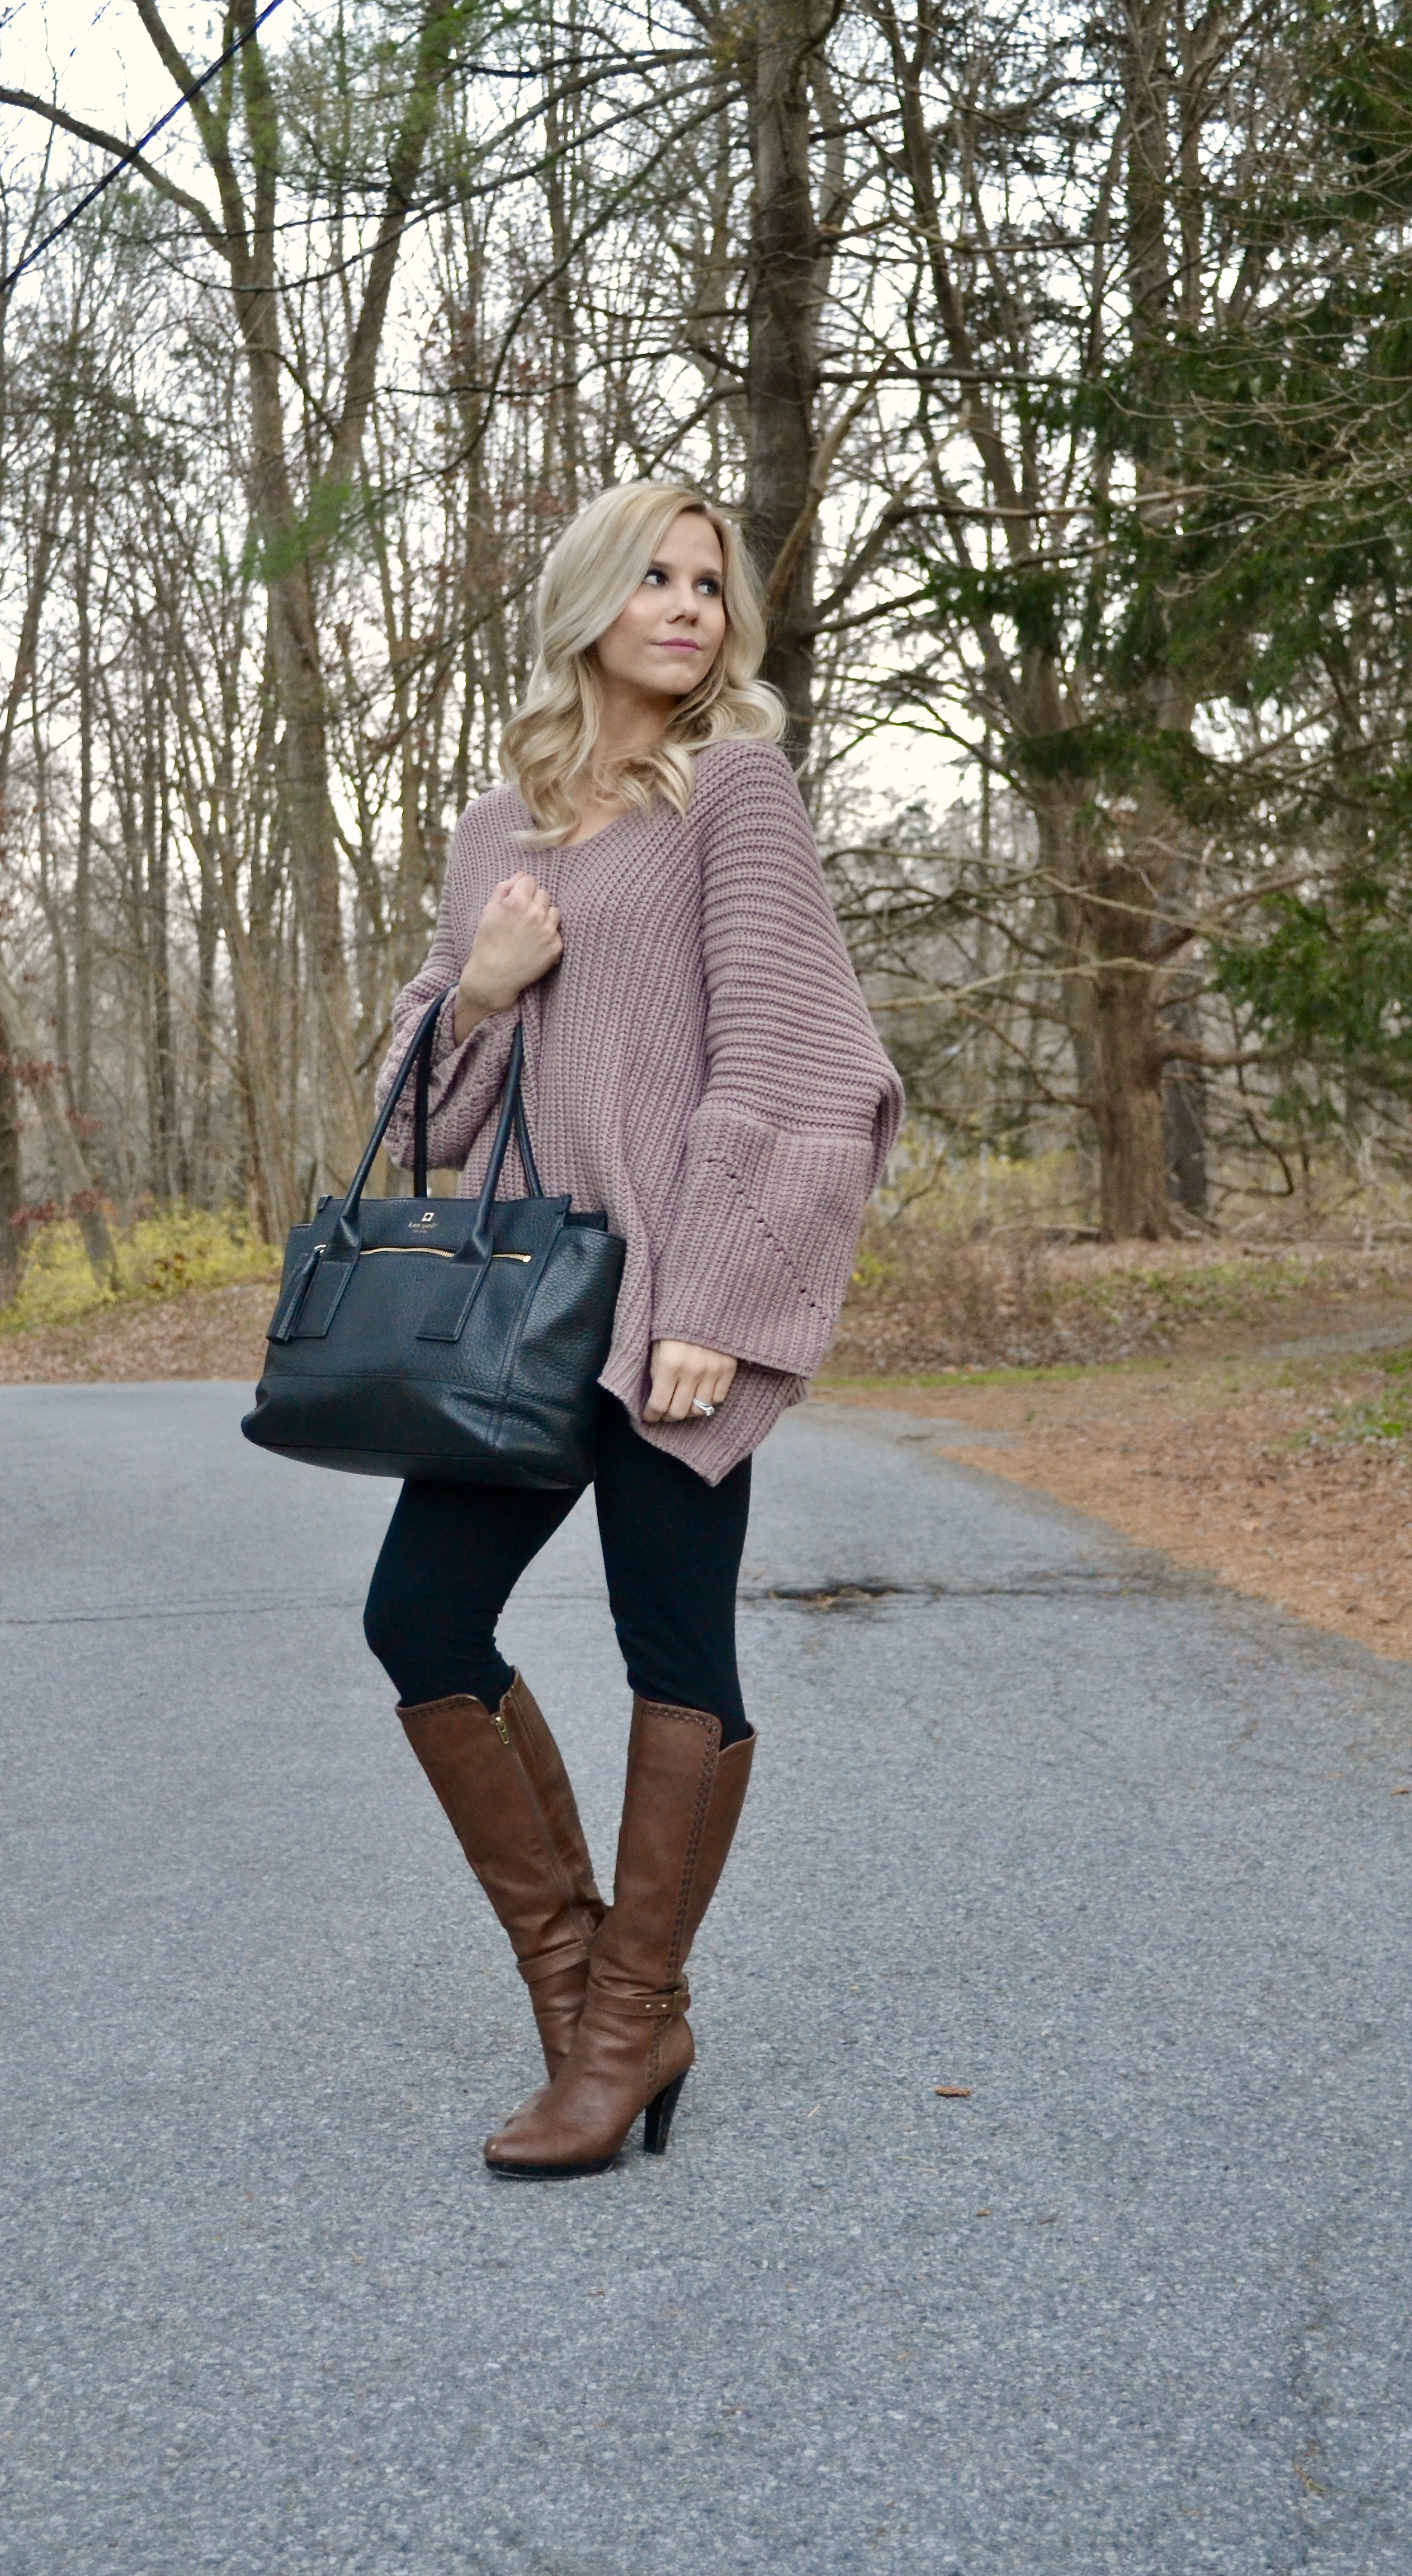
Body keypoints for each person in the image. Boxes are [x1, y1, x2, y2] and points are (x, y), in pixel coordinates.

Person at [363, 481, 903, 2177]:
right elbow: (431, 1116)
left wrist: (720, 1306)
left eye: (709, 585)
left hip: (671, 1309)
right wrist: (485, 987)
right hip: (526, 1314)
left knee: (680, 1655)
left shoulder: (733, 788)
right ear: (591, 598)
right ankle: (588, 2005)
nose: (688, 607)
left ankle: (627, 2020)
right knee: (418, 1621)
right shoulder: (490, 834)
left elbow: (796, 1056)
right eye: (655, 578)